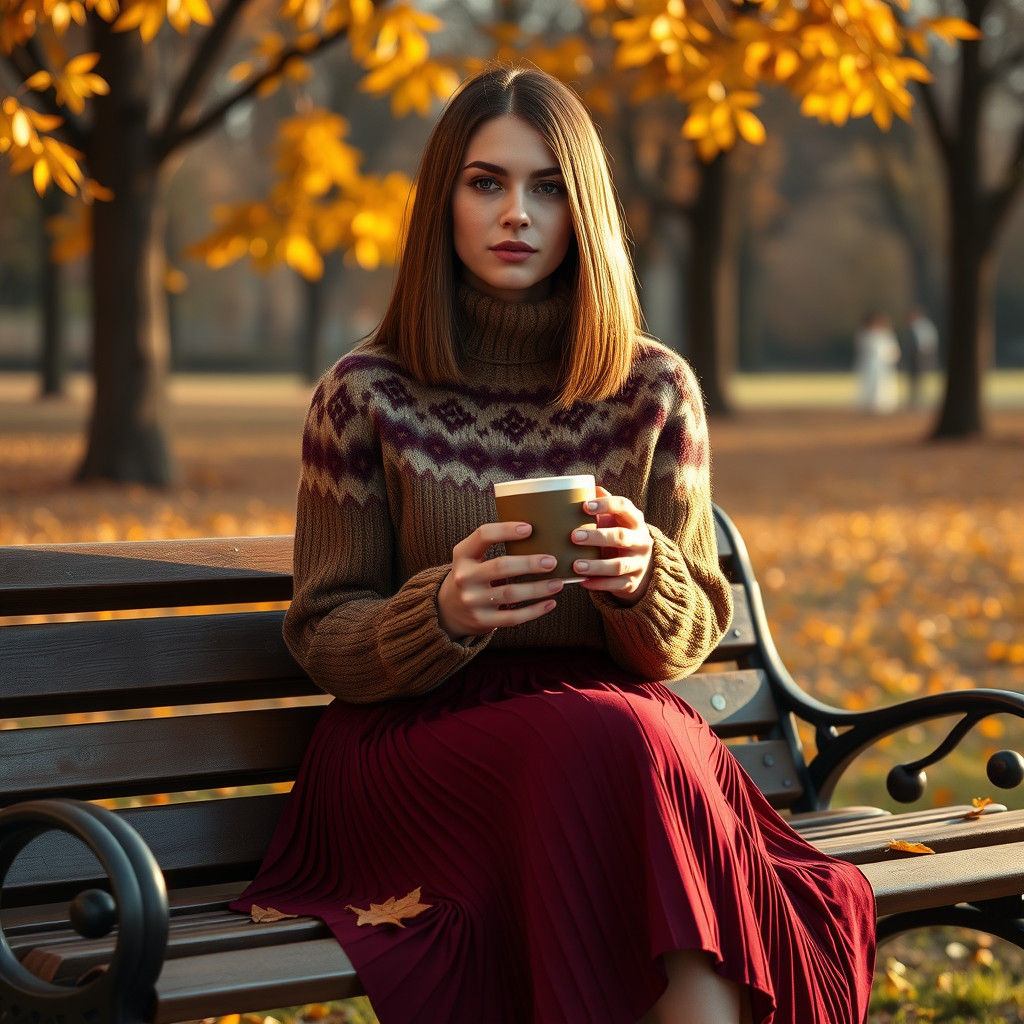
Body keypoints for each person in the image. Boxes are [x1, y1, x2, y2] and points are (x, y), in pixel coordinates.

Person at [229, 66, 876, 1024]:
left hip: (612, 746)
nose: (515, 214)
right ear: (443, 200)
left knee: (639, 758)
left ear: (585, 211)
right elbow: (324, 630)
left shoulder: (653, 389)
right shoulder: (366, 393)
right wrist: (439, 613)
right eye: (486, 182)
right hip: (416, 750)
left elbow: (687, 633)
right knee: (628, 743)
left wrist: (643, 579)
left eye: (547, 187)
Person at [854, 311, 900, 413]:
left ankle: (882, 405)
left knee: (883, 383)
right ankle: (868, 404)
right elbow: (861, 349)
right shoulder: (864, 335)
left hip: (883, 364)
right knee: (869, 383)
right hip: (869, 364)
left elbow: (893, 350)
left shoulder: (887, 335)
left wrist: (891, 358)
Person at [904, 306, 939, 409]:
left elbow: (926, 344)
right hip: (916, 357)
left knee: (920, 378)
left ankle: (919, 400)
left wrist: (922, 356)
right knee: (914, 378)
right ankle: (914, 399)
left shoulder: (923, 327)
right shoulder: (916, 326)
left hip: (921, 357)